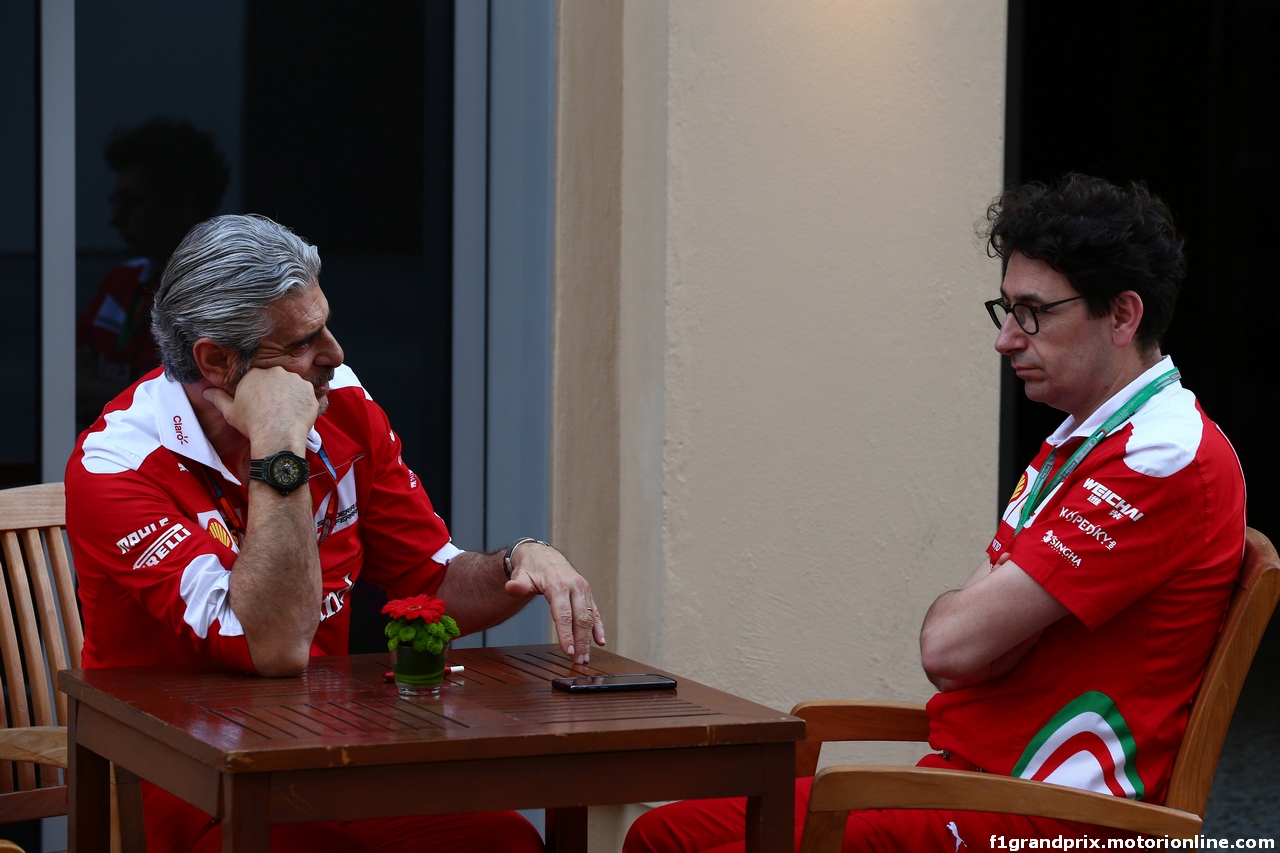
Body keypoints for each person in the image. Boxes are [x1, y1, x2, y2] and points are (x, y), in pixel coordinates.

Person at [624, 174, 1246, 852]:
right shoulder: (1085, 437)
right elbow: (966, 658)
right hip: (975, 779)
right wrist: (986, 633)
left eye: (1033, 312)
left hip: (1050, 815)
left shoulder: (1162, 453)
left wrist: (988, 631)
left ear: (1123, 316)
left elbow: (949, 646)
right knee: (665, 832)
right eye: (1004, 309)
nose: (1006, 339)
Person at [66, 214, 607, 853]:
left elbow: (433, 579)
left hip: (320, 758)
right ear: (216, 361)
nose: (335, 355)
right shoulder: (117, 464)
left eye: (325, 324)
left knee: (502, 841)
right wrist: (278, 446)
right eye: (301, 343)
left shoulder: (340, 400)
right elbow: (274, 645)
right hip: (185, 784)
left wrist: (521, 560)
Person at [76, 117, 230, 431]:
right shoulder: (121, 280)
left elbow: (193, 405)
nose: (114, 220)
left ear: (181, 206)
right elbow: (65, 388)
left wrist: (97, 390)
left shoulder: (223, 297)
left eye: (130, 203)